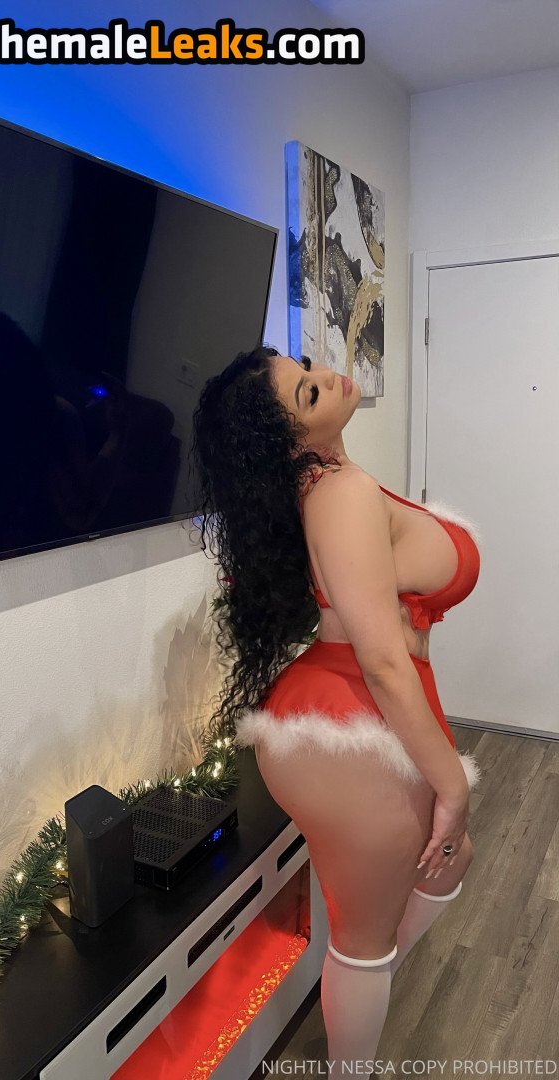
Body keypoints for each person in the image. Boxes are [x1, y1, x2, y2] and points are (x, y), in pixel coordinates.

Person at [190, 344, 482, 1074]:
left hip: (347, 708)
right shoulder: (339, 492)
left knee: (435, 876)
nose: (328, 376)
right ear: (292, 440)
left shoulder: (333, 483)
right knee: (364, 940)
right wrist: (452, 785)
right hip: (353, 719)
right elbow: (382, 659)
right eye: (308, 393)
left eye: (307, 369)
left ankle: (357, 998)